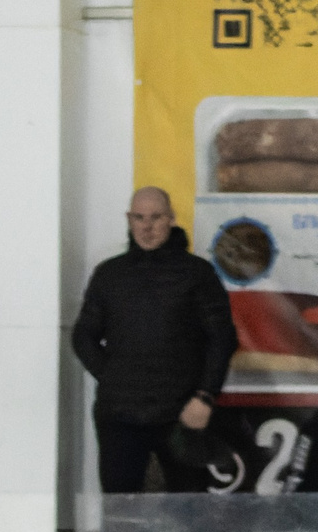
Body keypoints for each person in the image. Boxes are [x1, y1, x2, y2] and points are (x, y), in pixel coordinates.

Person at [71, 188, 236, 495]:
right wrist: (112, 377)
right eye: (139, 218)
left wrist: (205, 396)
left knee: (192, 519)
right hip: (119, 416)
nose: (147, 227)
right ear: (129, 220)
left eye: (156, 217)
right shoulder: (109, 275)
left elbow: (222, 338)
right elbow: (83, 335)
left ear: (171, 219)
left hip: (183, 414)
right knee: (121, 514)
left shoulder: (197, 274)